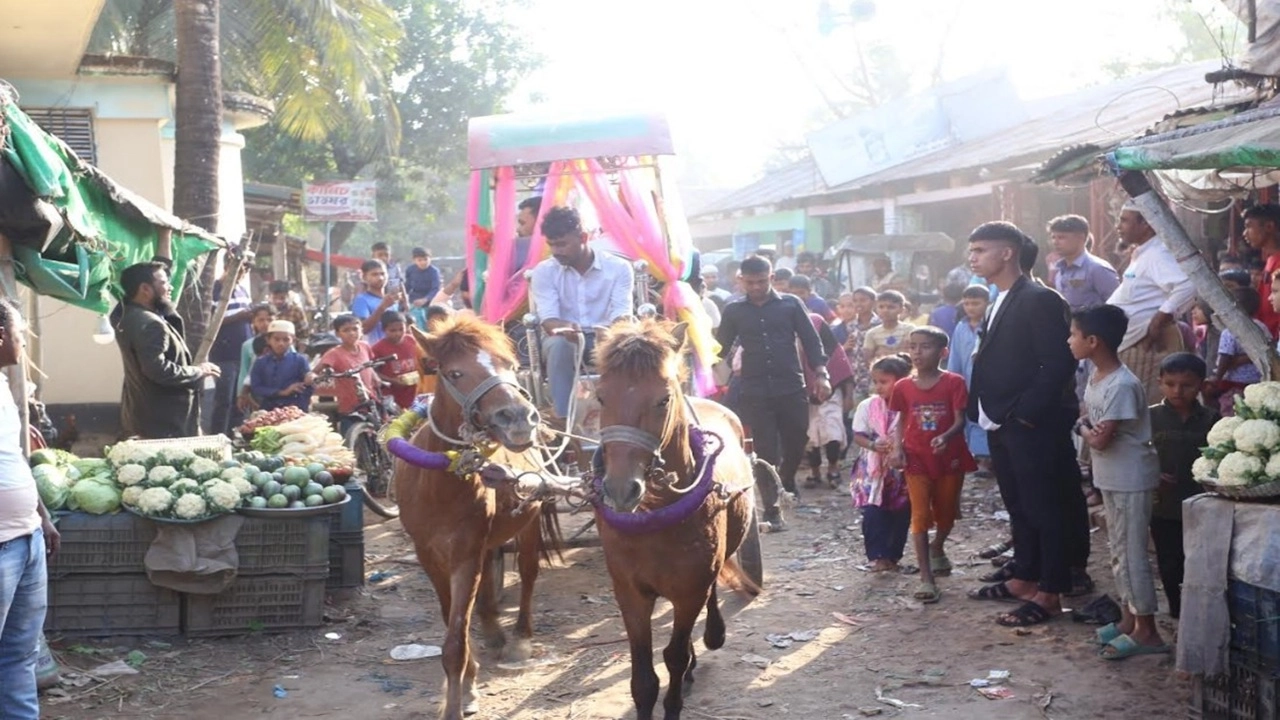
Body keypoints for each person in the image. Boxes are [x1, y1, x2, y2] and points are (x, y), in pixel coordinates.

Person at [964, 222, 1080, 627]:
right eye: (972, 250)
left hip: (1029, 422)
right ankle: (1024, 576)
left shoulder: (1039, 298)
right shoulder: (999, 299)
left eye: (980, 249)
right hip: (999, 419)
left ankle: (1050, 591)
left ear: (1008, 252)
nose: (972, 257)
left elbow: (1059, 362)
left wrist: (1025, 412)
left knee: (1045, 506)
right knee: (1019, 504)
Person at [1070, 304, 1168, 658]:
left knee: (1132, 554)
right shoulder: (1099, 379)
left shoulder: (1122, 384)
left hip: (1130, 477)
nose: (1070, 340)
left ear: (1092, 341)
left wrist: (1080, 426)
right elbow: (1089, 424)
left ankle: (1149, 632)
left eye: (1074, 334)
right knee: (1118, 551)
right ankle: (1130, 620)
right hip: (1110, 476)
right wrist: (1085, 425)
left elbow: (1098, 438)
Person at [716, 255, 829, 531]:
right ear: (741, 280)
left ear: (772, 278)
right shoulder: (733, 311)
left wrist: (822, 374)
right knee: (765, 450)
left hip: (791, 385)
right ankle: (772, 510)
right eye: (751, 282)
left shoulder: (791, 305)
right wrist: (706, 362)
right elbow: (719, 347)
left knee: (797, 439)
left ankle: (787, 479)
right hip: (754, 389)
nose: (756, 287)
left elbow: (811, 341)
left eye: (762, 281)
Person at [0, 297, 60, 720]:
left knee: (19, 656)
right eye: (21, 333)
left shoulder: (2, 384)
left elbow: (14, 457)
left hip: (27, 540)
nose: (24, 343)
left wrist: (41, 514)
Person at [889, 326, 976, 604]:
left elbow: (960, 419)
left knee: (947, 513)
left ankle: (937, 546)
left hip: (949, 457)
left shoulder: (954, 382)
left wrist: (946, 435)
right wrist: (897, 447)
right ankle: (926, 579)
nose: (917, 352)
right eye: (913, 346)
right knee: (919, 515)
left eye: (925, 346)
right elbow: (901, 419)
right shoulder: (902, 386)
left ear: (943, 352)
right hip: (916, 458)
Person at [529, 206, 635, 419]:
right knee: (559, 346)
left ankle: (627, 417)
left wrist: (610, 336)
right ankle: (564, 421)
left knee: (627, 344)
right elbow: (548, 319)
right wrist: (564, 329)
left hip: (607, 337)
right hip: (564, 338)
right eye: (552, 245)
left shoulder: (619, 268)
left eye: (562, 244)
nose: (556, 251)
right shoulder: (544, 271)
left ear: (583, 238)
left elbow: (621, 314)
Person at [115, 261, 220, 439]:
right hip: (164, 421)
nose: (170, 287)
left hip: (144, 415)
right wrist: (198, 371)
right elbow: (157, 369)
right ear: (145, 289)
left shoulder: (125, 315)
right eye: (164, 283)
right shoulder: (151, 324)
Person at [1148, 352, 1217, 620]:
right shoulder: (1150, 417)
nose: (1177, 391)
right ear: (1160, 383)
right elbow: (1135, 453)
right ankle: (1178, 611)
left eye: (1187, 385)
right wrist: (1152, 474)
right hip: (1163, 505)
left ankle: (1198, 612)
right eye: (1170, 384)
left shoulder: (1211, 418)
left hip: (1201, 504)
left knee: (1198, 560)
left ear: (1200, 384)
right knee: (1169, 559)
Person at [1106, 202, 1196, 403]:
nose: (1118, 226)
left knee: (1141, 414)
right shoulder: (1143, 253)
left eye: (1124, 220)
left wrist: (1160, 318)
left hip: (1144, 348)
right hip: (1128, 345)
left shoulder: (1157, 254)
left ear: (1146, 223)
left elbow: (1187, 285)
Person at [851, 353, 912, 573]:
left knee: (901, 512)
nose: (878, 387)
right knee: (873, 512)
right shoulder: (868, 406)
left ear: (902, 381)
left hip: (901, 470)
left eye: (884, 382)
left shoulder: (909, 407)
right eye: (875, 382)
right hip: (873, 470)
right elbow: (859, 436)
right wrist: (874, 445)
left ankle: (893, 556)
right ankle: (877, 557)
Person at [803, 311, 854, 488]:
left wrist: (848, 396)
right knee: (810, 435)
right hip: (805, 399)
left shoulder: (834, 350)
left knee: (833, 433)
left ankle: (833, 468)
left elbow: (845, 373)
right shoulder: (795, 349)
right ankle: (814, 471)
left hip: (833, 396)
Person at [946, 284, 990, 471]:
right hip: (966, 381)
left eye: (976, 303)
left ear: (987, 303)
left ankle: (987, 458)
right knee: (970, 416)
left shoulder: (991, 325)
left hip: (988, 382)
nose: (971, 308)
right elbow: (955, 356)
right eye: (967, 303)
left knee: (986, 416)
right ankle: (977, 456)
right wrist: (953, 380)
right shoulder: (961, 327)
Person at [207, 262, 254, 435]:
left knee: (240, 399)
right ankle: (218, 435)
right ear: (228, 266)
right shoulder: (215, 290)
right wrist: (239, 316)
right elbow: (212, 321)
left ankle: (236, 435)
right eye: (240, 268)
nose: (243, 273)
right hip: (224, 353)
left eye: (246, 270)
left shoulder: (242, 290)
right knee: (224, 400)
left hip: (243, 353)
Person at [1211, 286, 1268, 416]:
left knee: (1232, 412)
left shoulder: (1230, 330)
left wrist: (1217, 377)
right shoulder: (1262, 327)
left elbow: (1226, 356)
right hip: (1258, 381)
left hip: (1235, 383)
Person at [316, 315, 379, 428]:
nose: (351, 333)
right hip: (349, 406)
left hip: (369, 399)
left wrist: (376, 377)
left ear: (361, 330)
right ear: (337, 333)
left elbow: (369, 365)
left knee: (377, 434)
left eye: (355, 329)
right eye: (346, 330)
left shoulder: (365, 346)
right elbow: (316, 371)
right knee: (350, 436)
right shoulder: (334, 353)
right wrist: (312, 377)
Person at [1049, 214, 1120, 312]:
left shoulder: (1098, 269)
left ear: (1081, 238)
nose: (1055, 242)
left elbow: (1117, 306)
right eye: (1053, 237)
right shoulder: (1060, 270)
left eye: (1061, 237)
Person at [249, 320, 314, 412]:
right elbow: (256, 388)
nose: (281, 343)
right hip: (269, 410)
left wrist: (310, 380)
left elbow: (308, 387)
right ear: (268, 340)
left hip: (294, 409)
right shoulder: (260, 362)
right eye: (276, 339)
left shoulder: (300, 360)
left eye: (286, 339)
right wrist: (282, 392)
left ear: (293, 340)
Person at [371, 311, 424, 412]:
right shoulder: (377, 349)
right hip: (393, 395)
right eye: (393, 330)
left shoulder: (412, 341)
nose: (398, 333)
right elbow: (374, 372)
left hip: (414, 392)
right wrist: (392, 380)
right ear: (384, 330)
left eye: (401, 329)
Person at [351, 259, 404, 345]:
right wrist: (382, 307)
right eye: (374, 274)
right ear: (364, 277)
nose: (380, 278)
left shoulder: (392, 299)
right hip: (374, 349)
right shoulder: (361, 300)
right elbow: (363, 329)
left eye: (383, 274)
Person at [236, 304, 276, 415]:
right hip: (257, 393)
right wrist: (241, 395)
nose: (265, 324)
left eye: (269, 320)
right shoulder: (248, 345)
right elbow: (244, 371)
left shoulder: (283, 342)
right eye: (261, 320)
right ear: (253, 322)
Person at [863, 291, 915, 361]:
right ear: (876, 309)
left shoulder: (910, 330)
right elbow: (868, 360)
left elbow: (912, 353)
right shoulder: (872, 333)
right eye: (881, 307)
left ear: (901, 309)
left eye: (891, 307)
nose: (885, 310)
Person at [404, 247, 442, 327]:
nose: (423, 262)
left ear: (430, 259)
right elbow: (407, 286)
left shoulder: (434, 272)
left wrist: (425, 299)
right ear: (414, 260)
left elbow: (435, 289)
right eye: (420, 260)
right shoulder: (410, 270)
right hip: (414, 300)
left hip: (430, 300)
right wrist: (403, 298)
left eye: (425, 259)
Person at [267, 280, 309, 349]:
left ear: (288, 296)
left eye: (282, 298)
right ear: (270, 297)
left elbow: (304, 337)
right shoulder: (266, 312)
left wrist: (298, 355)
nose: (278, 301)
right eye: (275, 298)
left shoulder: (296, 311)